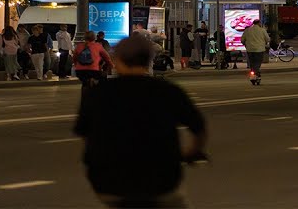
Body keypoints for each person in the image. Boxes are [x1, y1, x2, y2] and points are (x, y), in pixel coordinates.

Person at [74, 36, 207, 207]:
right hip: (161, 182)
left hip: (108, 183)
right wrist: (191, 153)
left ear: (118, 60)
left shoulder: (98, 93)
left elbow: (84, 133)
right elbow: (199, 128)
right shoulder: (167, 91)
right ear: (148, 60)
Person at [241, 19, 269, 85]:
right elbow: (267, 39)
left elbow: (242, 40)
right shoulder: (262, 30)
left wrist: (246, 44)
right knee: (257, 64)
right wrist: (264, 43)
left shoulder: (247, 30)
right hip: (259, 50)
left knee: (252, 63)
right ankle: (257, 75)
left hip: (250, 50)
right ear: (259, 23)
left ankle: (253, 75)